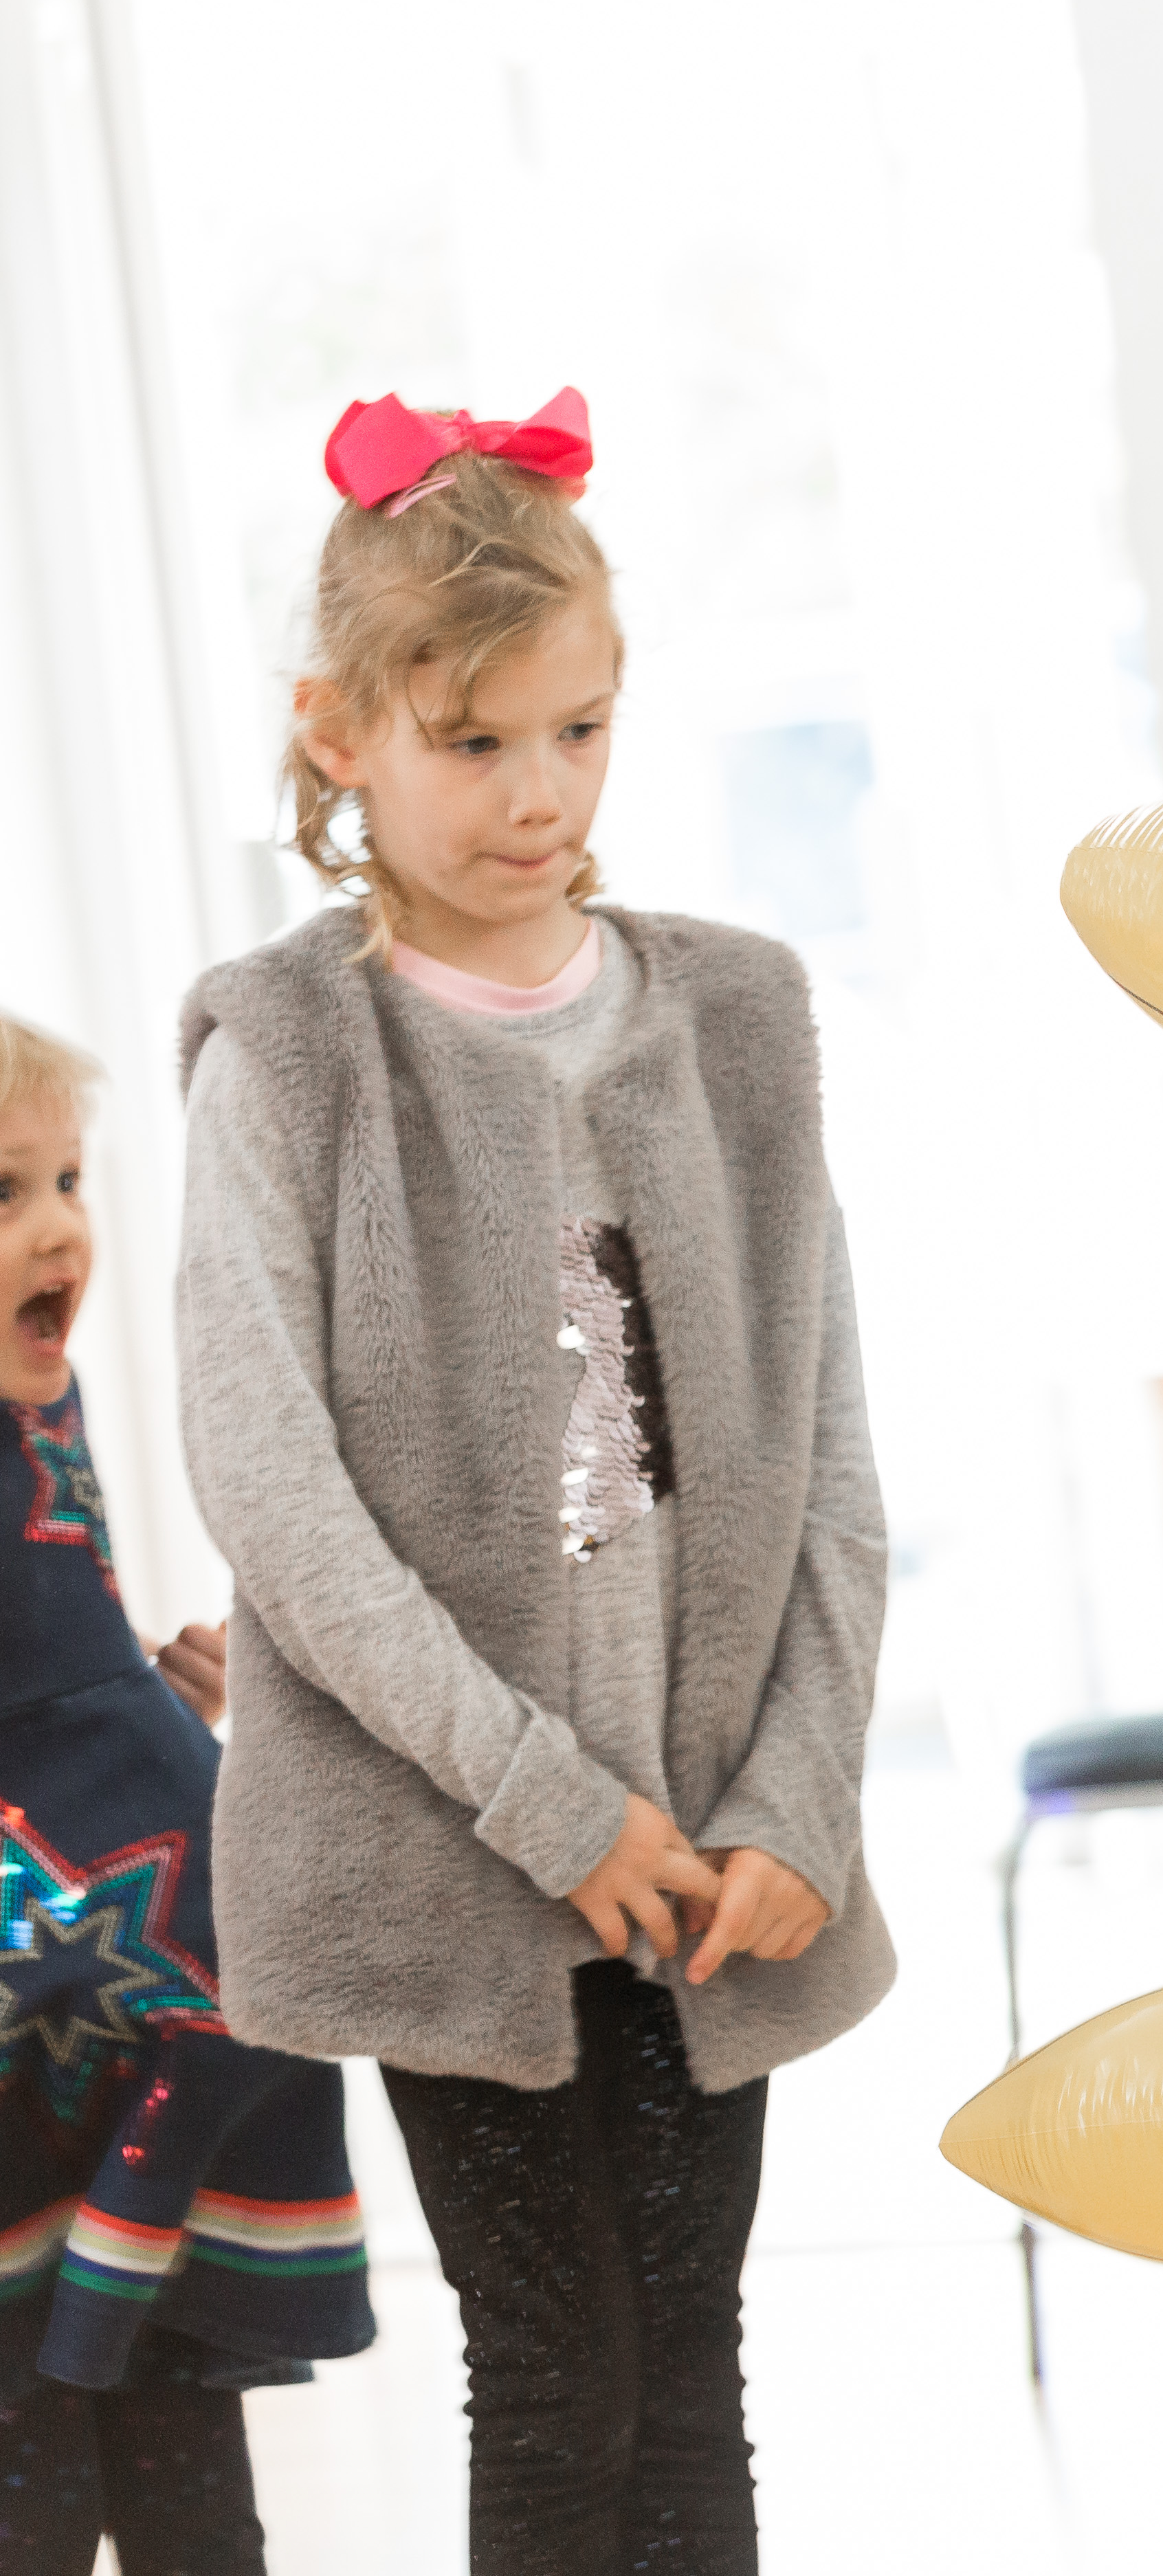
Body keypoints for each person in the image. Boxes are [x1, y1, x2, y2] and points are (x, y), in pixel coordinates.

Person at [177, 390, 894, 2576]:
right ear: (340, 736)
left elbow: (835, 1466)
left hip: (713, 1860)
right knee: (559, 2374)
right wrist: (547, 1803)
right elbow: (273, 1493)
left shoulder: (741, 1018)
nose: (541, 794)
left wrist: (798, 1798)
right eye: (476, 741)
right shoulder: (288, 1051)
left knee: (696, 2377)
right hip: (448, 1854)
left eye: (579, 731)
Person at [0, 1013, 373, 2576]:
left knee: (180, 2438)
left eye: (66, 1178)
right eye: (2, 1194)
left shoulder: (45, 1409)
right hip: (50, 2014)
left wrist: (155, 1705)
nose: (58, 1227)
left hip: (128, 2008)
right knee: (35, 2473)